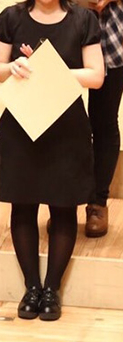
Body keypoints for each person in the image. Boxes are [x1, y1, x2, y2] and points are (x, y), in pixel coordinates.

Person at [0, 0, 104, 321]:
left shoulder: (83, 20)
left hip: (66, 125)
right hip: (21, 121)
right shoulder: (10, 17)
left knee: (63, 205)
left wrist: (51, 72)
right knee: (22, 205)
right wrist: (12, 67)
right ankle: (32, 287)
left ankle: (52, 289)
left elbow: (96, 76)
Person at [85, 0, 123, 237]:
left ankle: (97, 202)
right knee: (58, 120)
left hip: (111, 31)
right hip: (61, 23)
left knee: (104, 121)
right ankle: (61, 203)